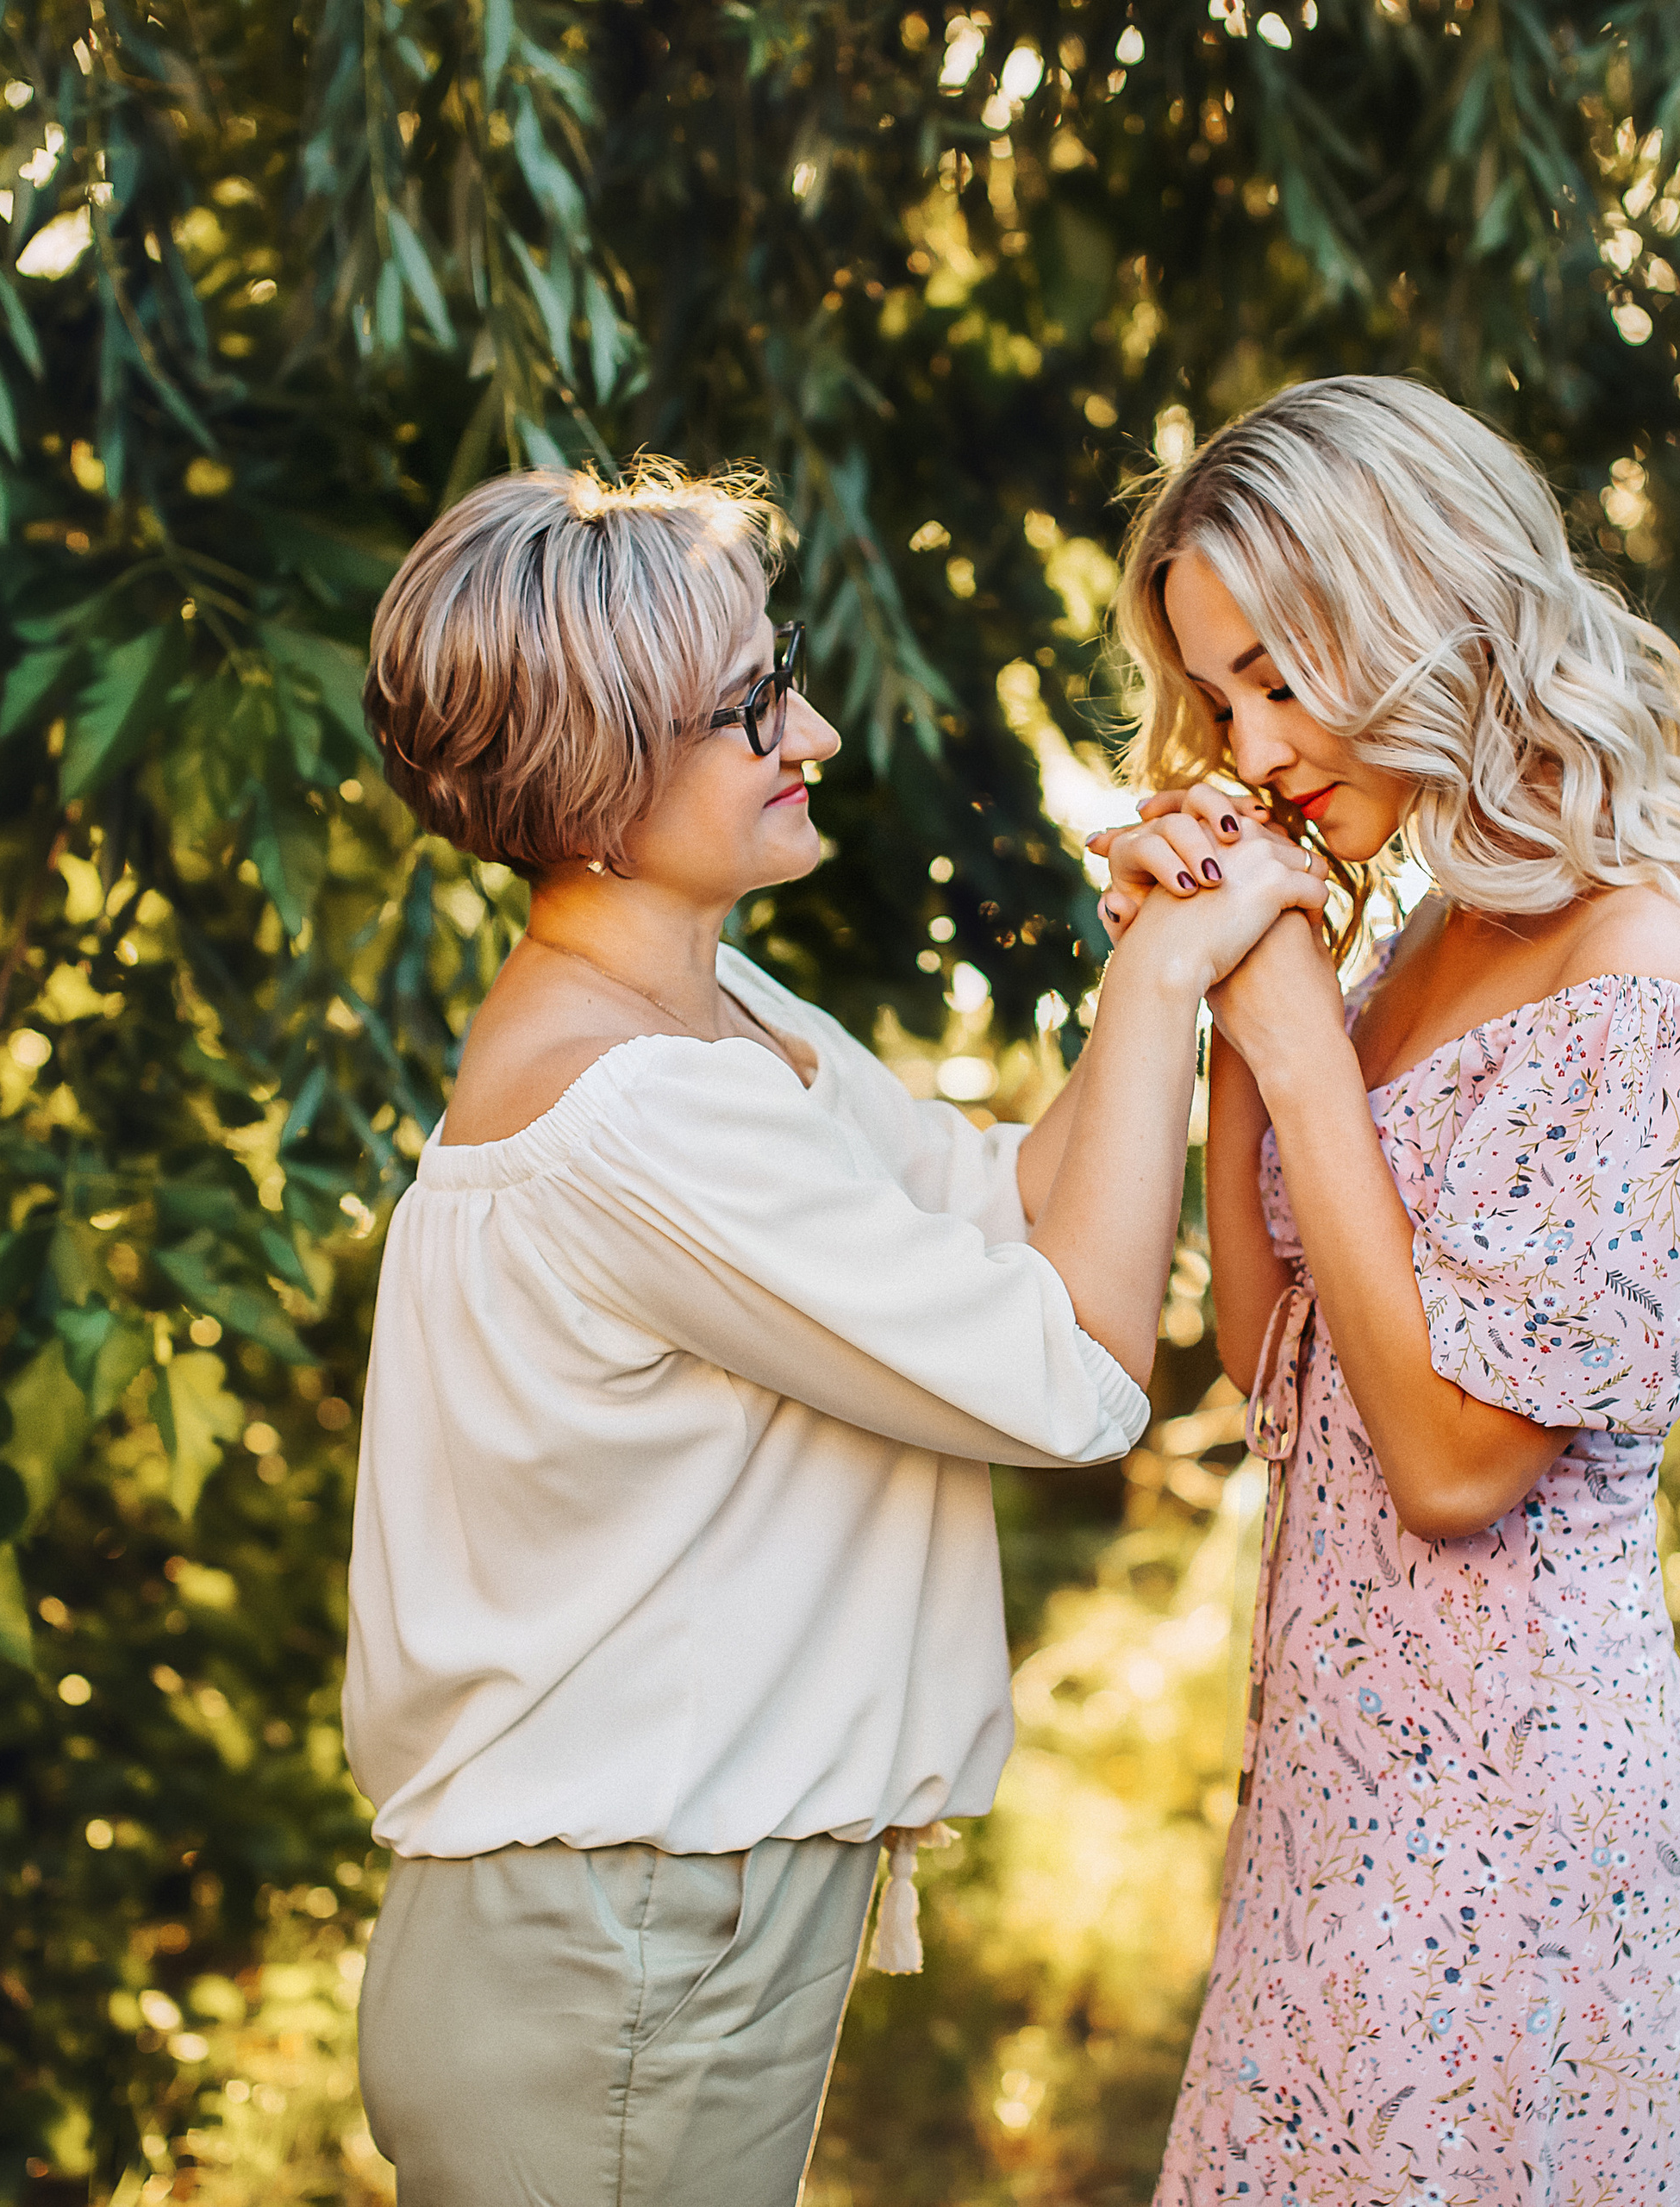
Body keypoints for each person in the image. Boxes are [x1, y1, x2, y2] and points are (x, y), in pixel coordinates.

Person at [340, 460, 1327, 2207]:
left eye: (778, 673)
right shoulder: (633, 1107)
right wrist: (1167, 980)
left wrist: (1156, 963)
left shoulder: (718, 1018)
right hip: (614, 1946)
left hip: (654, 1930)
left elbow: (1005, 1210)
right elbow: (1071, 1373)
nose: (811, 730)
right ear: (590, 770)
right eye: (745, 710)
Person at [1091, 376, 1680, 2205]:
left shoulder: (1645, 966)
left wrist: (1295, 1040)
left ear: (1415, 611)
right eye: (1217, 697)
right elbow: (1273, 1361)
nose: (1250, 745)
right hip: (1330, 1808)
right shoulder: (1424, 934)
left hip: (1516, 1842)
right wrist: (1246, 972)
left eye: (1277, 678)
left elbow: (1457, 1463)